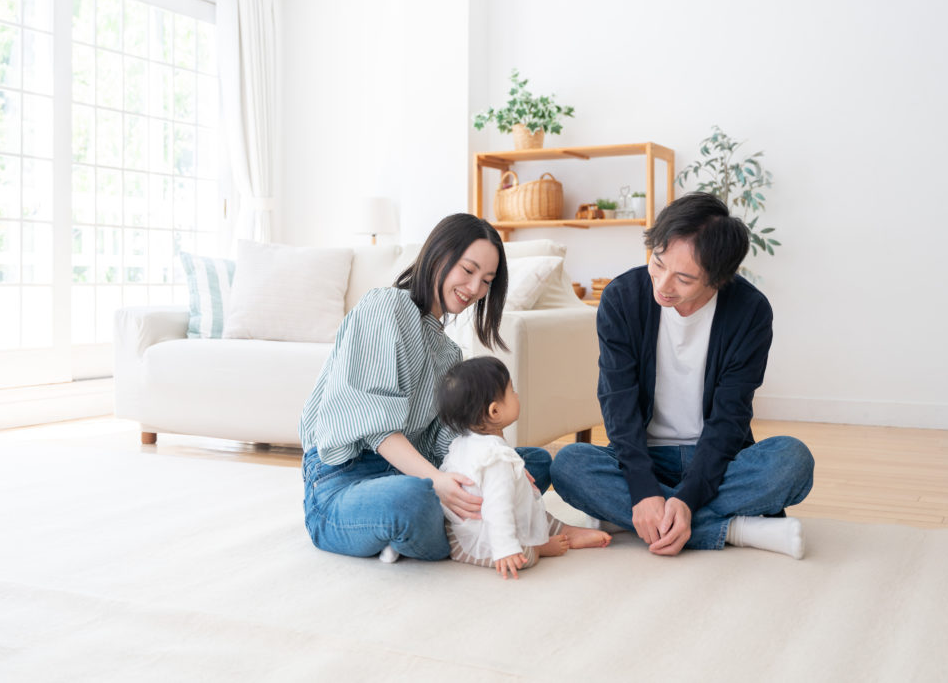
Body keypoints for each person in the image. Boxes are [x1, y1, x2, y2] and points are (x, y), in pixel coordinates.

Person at [551, 192, 815, 559]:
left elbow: (730, 418)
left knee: (792, 461)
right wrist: (644, 490)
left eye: (684, 278)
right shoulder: (621, 299)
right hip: (645, 456)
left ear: (719, 279)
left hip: (718, 460)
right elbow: (618, 404)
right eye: (657, 264)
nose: (662, 285)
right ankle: (738, 529)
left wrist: (688, 499)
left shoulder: (750, 311)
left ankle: (638, 519)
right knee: (569, 465)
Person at [300, 213, 554, 563]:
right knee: (411, 500)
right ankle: (440, 531)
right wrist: (436, 482)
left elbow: (447, 438)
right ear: (438, 255)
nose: (476, 288)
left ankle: (429, 531)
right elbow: (375, 425)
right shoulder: (385, 306)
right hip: (344, 480)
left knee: (530, 463)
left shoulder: (449, 353)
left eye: (487, 281)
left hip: (413, 472)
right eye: (468, 270)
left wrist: (499, 460)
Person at [436, 356, 612, 579]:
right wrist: (506, 549)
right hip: (473, 542)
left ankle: (559, 529)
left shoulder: (462, 443)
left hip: (457, 528)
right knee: (523, 557)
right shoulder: (496, 459)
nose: (517, 395)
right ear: (494, 412)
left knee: (528, 497)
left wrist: (517, 478)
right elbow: (497, 507)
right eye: (512, 391)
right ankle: (541, 546)